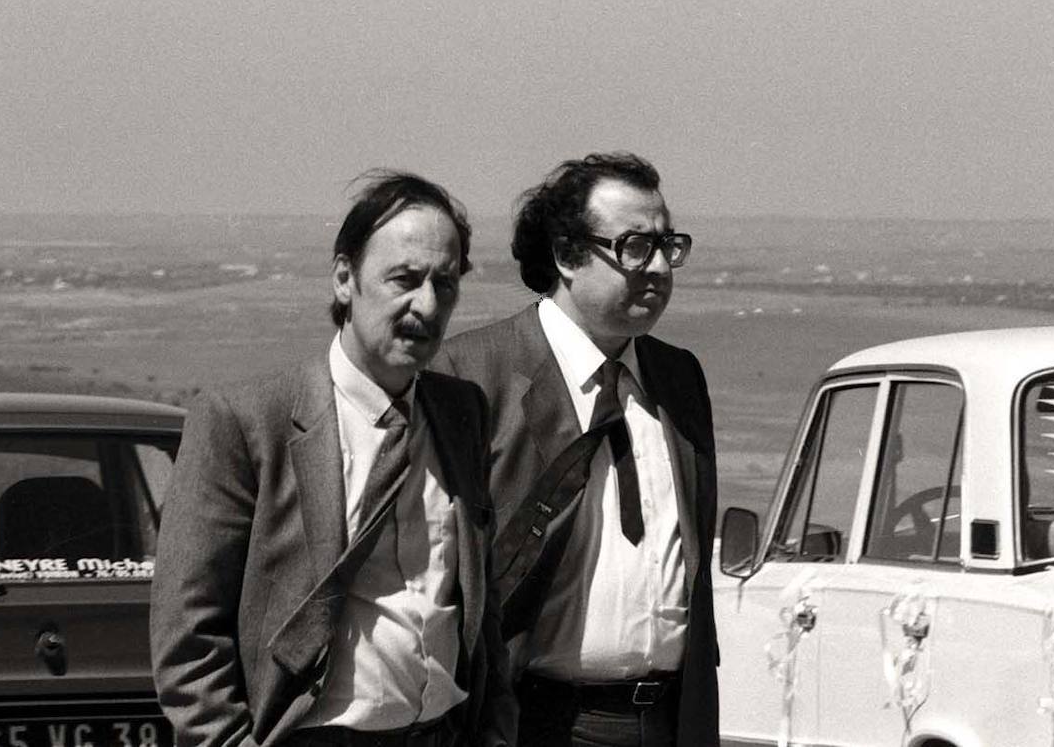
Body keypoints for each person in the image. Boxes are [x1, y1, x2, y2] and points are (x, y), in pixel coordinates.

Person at [151, 172, 515, 747]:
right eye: (405, 279)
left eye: (446, 285)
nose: (427, 304)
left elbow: (477, 598)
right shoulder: (247, 422)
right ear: (345, 278)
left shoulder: (460, 412)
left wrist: (495, 727)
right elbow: (188, 636)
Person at [432, 152, 718, 747]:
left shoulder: (679, 379)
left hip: (667, 719)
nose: (660, 266)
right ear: (567, 255)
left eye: (670, 246)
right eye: (636, 245)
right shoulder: (473, 376)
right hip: (535, 724)